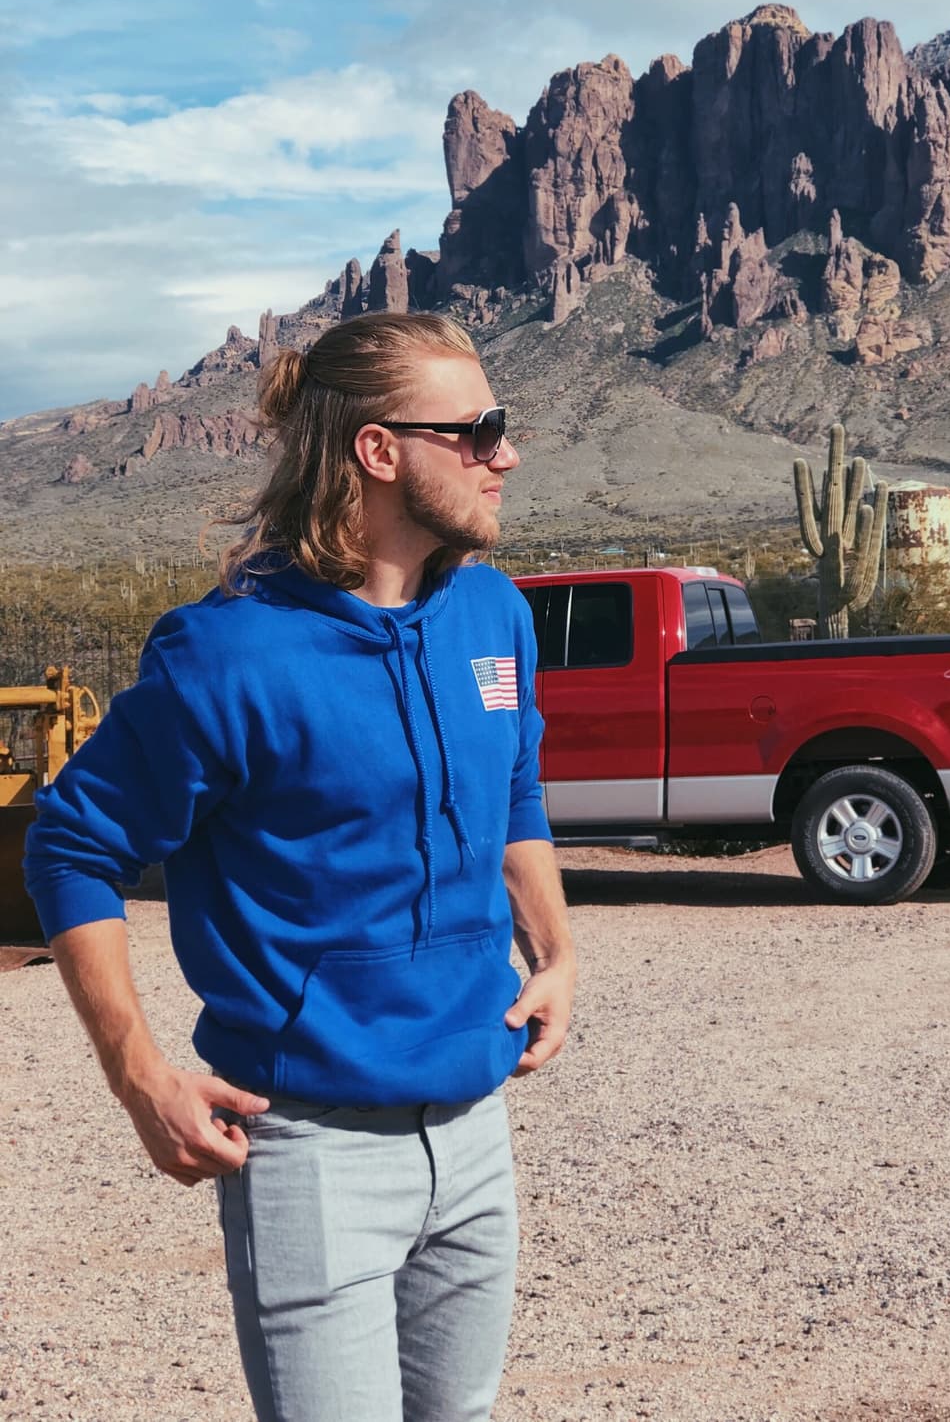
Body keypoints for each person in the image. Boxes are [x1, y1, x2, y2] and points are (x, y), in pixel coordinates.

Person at [23, 311, 576, 1422]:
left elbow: (511, 789)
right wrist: (140, 1077)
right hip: (311, 1150)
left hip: (475, 1130)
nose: (503, 454)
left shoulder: (491, 613)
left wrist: (556, 948)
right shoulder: (225, 654)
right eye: (475, 431)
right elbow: (73, 846)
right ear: (378, 451)